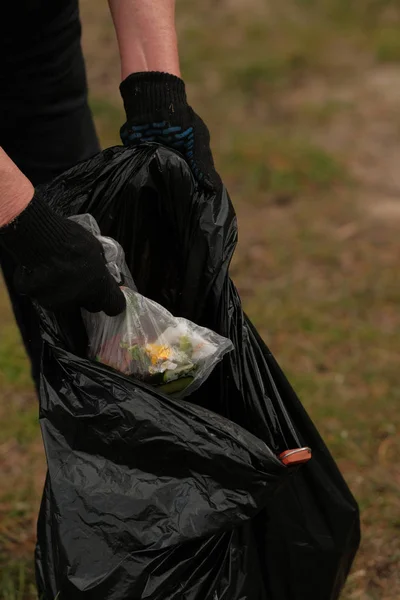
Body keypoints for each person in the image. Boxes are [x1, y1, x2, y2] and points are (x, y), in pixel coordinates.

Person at [0, 0, 220, 387]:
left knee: (83, 303)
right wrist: (29, 226)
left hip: (32, 39)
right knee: (56, 257)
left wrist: (156, 92)